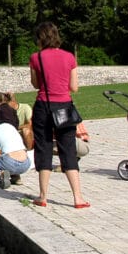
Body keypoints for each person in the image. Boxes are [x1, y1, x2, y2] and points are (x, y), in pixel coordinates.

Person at [29, 21, 89, 209]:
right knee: (68, 149)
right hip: (64, 107)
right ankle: (78, 197)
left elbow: (36, 84)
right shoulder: (69, 57)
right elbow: (74, 87)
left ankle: (43, 196)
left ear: (40, 38)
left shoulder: (35, 57)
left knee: (44, 148)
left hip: (43, 107)